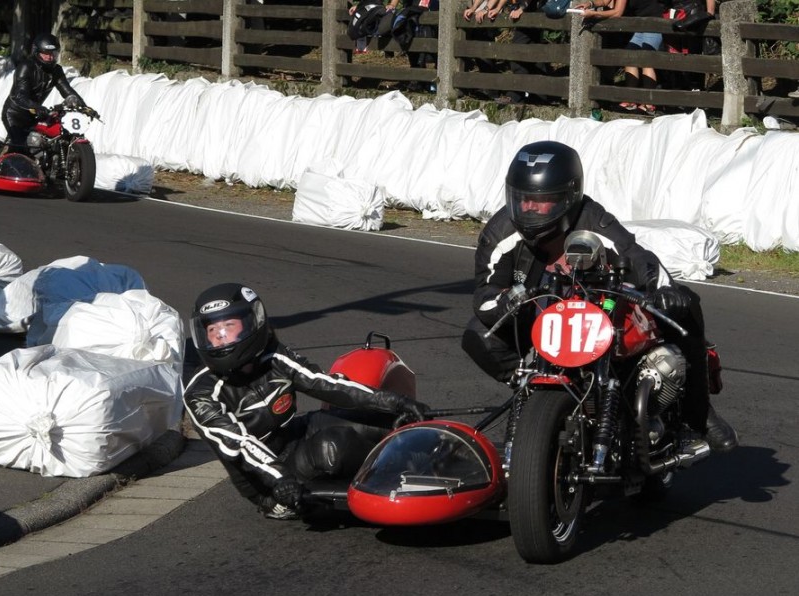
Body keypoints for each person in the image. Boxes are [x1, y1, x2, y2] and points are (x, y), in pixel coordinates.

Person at [461, 140, 738, 452]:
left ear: (568, 197)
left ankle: (697, 415)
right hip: (534, 318)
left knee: (686, 303)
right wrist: (505, 302)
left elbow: (639, 259)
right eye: (522, 199)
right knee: (478, 334)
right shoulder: (501, 232)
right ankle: (533, 392)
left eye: (541, 201)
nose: (528, 208)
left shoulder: (593, 220)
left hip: (597, 311)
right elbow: (483, 295)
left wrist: (663, 291)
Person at [183, 283, 431, 520]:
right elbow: (241, 444)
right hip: (268, 481)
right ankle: (403, 476)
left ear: (252, 323)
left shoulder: (273, 356)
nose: (220, 337)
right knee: (331, 447)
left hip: (294, 436)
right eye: (212, 330)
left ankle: (435, 457)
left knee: (379, 420)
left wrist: (397, 402)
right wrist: (279, 478)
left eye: (229, 325)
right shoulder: (200, 394)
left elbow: (324, 383)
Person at [576, 0, 667, 115]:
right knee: (629, 57)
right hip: (640, 23)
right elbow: (604, 1)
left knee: (646, 60)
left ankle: (649, 104)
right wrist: (590, 4)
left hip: (653, 22)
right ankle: (630, 99)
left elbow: (617, 12)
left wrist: (593, 14)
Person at [1, 32, 85, 151]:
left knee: (47, 143)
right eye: (46, 54)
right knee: (22, 149)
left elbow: (67, 90)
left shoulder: (56, 70)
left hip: (35, 114)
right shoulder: (26, 67)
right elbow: (19, 96)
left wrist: (83, 107)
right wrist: (37, 107)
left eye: (53, 54)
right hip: (15, 115)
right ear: (36, 52)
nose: (50, 57)